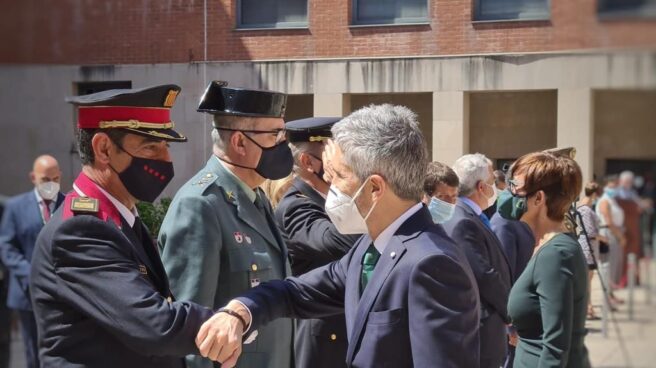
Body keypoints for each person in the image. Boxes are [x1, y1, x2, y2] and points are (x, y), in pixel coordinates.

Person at [195, 104, 481, 368]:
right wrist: (240, 310)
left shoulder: (432, 265)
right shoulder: (372, 246)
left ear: (374, 189)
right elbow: (301, 292)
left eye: (339, 176)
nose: (331, 186)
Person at [29, 85, 216, 367]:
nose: (167, 160)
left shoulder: (121, 218)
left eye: (166, 146)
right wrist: (232, 318)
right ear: (103, 148)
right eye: (151, 147)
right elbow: (155, 325)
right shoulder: (80, 231)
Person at [158, 81, 294, 368]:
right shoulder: (200, 204)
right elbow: (189, 332)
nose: (283, 144)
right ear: (240, 142)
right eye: (274, 134)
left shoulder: (255, 196)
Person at [274, 117, 361, 368]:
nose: (349, 166)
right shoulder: (296, 206)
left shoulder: (330, 202)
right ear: (308, 162)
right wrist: (345, 187)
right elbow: (339, 242)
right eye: (337, 159)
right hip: (323, 337)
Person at [500, 151, 590, 367]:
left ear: (538, 198)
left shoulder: (555, 254)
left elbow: (555, 347)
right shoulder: (547, 246)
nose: (508, 192)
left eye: (516, 187)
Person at [442, 153, 512, 368]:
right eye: (493, 182)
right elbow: (484, 276)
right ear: (481, 187)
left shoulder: (464, 215)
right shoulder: (463, 221)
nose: (496, 189)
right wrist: (511, 314)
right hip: (480, 329)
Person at [0, 155, 64, 368]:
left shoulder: (70, 204)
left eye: (56, 178)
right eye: (46, 179)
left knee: (65, 351)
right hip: (27, 293)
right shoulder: (16, 207)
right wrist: (32, 273)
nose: (52, 185)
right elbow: (7, 247)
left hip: (64, 294)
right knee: (33, 352)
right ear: (32, 177)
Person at [576, 181, 606, 319]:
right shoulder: (586, 209)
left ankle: (589, 308)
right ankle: (588, 309)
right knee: (587, 281)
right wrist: (605, 239)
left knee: (587, 280)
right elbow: (590, 232)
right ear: (594, 194)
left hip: (588, 246)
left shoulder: (582, 207)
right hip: (588, 247)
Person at [596, 176, 626, 292]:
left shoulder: (613, 200)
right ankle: (607, 294)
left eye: (615, 186)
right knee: (609, 264)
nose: (614, 189)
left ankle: (611, 294)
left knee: (615, 265)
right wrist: (620, 236)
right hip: (610, 232)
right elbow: (609, 221)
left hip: (616, 232)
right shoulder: (604, 200)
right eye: (611, 186)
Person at [616, 170, 642, 286]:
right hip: (622, 230)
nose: (628, 183)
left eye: (630, 181)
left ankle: (633, 279)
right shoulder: (617, 193)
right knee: (622, 256)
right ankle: (622, 280)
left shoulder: (632, 193)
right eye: (626, 181)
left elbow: (639, 206)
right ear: (621, 181)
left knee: (633, 255)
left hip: (633, 229)